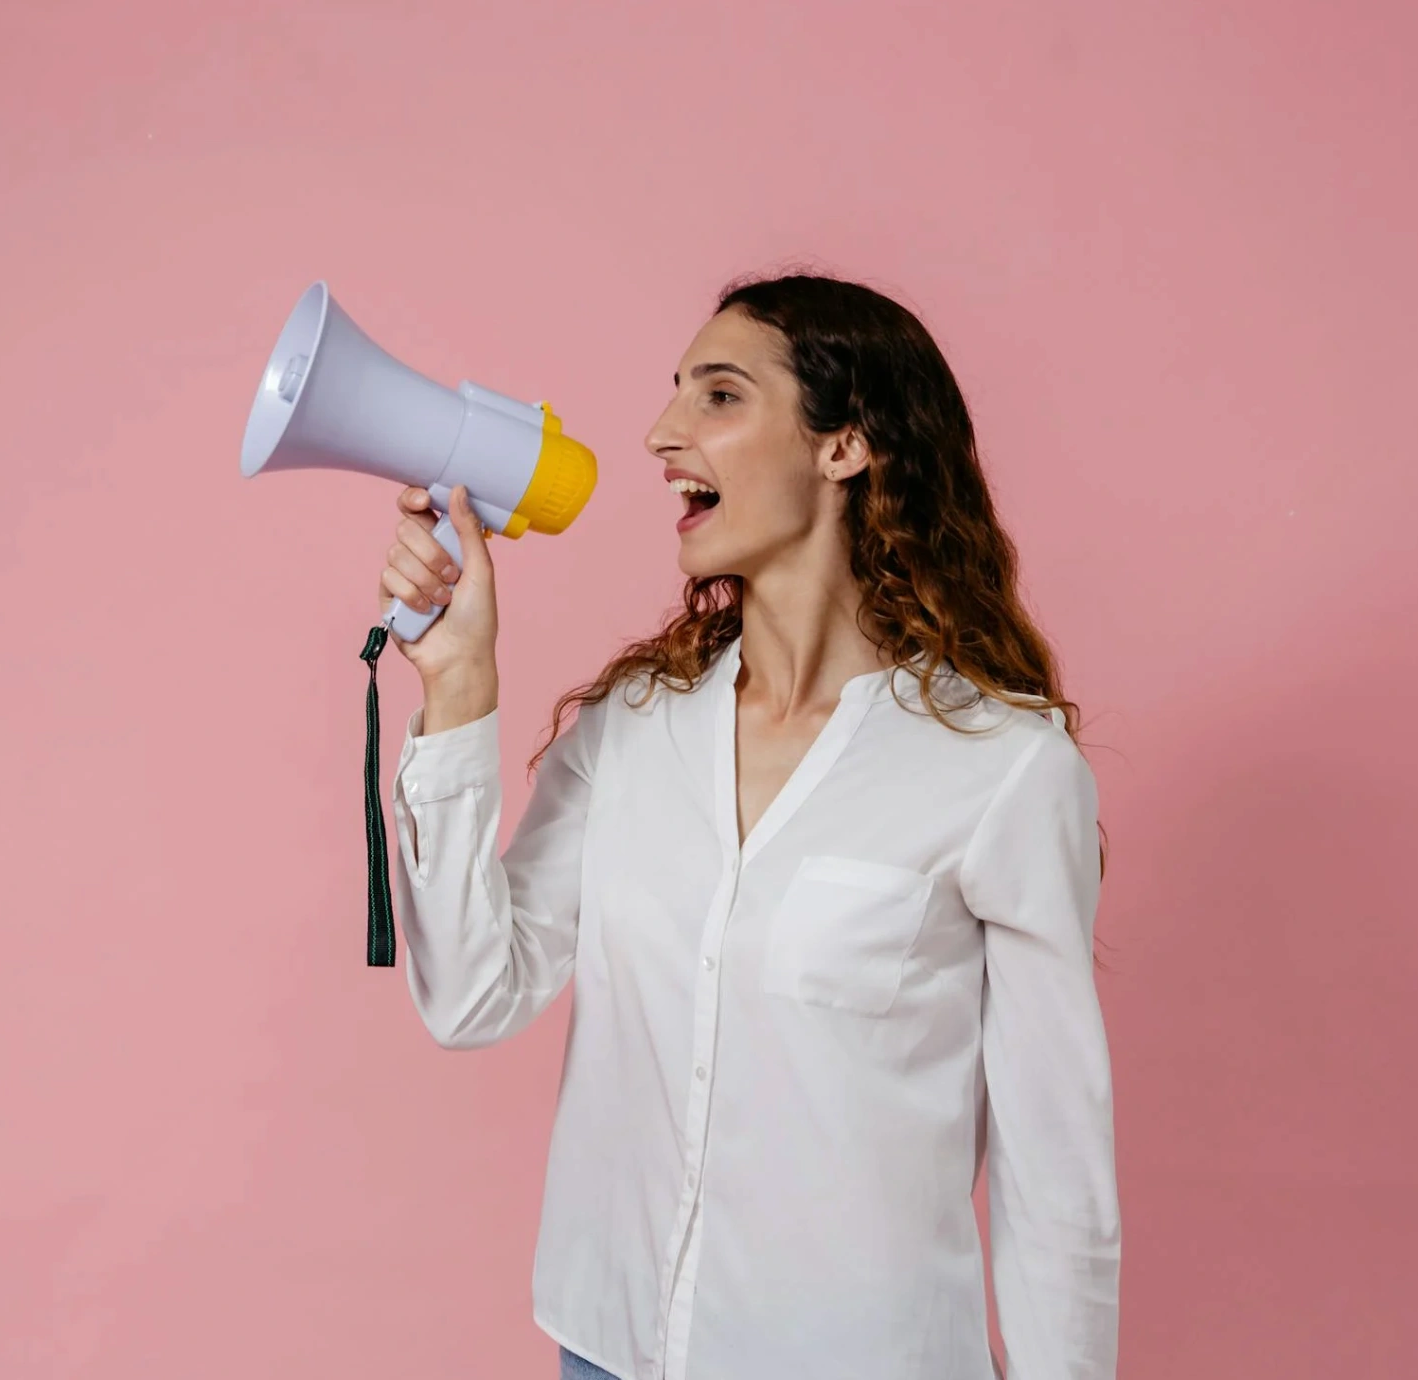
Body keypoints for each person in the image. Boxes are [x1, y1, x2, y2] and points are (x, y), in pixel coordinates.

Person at [376, 273, 1120, 1380]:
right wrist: (459, 682)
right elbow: (472, 994)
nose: (660, 433)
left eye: (718, 397)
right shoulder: (632, 731)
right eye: (675, 394)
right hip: (612, 1347)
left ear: (844, 448)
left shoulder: (1002, 772)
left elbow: (1053, 1173)